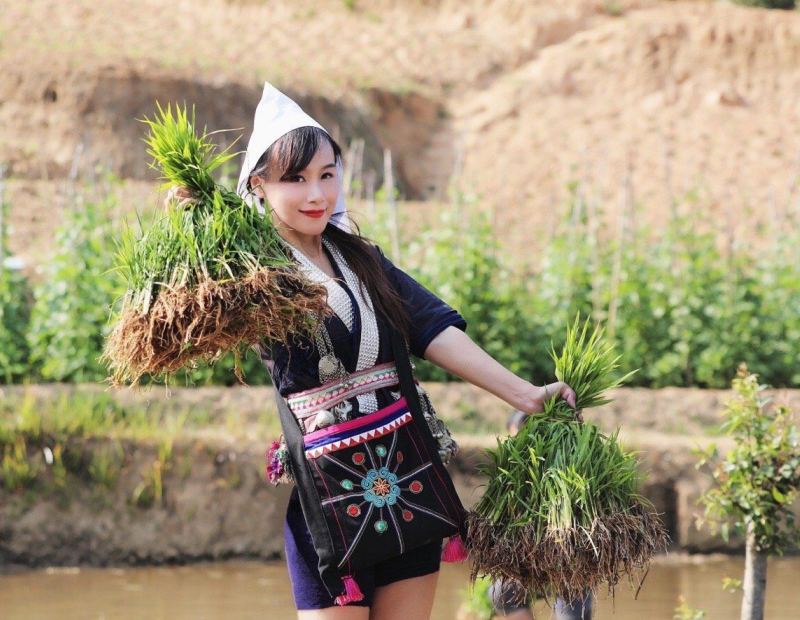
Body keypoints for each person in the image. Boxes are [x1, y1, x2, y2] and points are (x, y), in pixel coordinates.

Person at [166, 82, 578, 620]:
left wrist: (526, 396)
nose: (316, 194)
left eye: (327, 175)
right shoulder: (251, 273)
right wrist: (190, 228)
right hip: (329, 504)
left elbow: (431, 328)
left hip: (409, 486)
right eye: (296, 179)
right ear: (259, 185)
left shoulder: (364, 260)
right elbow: (187, 315)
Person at [486, 411, 593, 620]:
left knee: (572, 609)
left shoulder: (569, 459)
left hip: (569, 558)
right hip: (530, 557)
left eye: (521, 437)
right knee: (502, 593)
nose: (518, 445)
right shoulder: (514, 471)